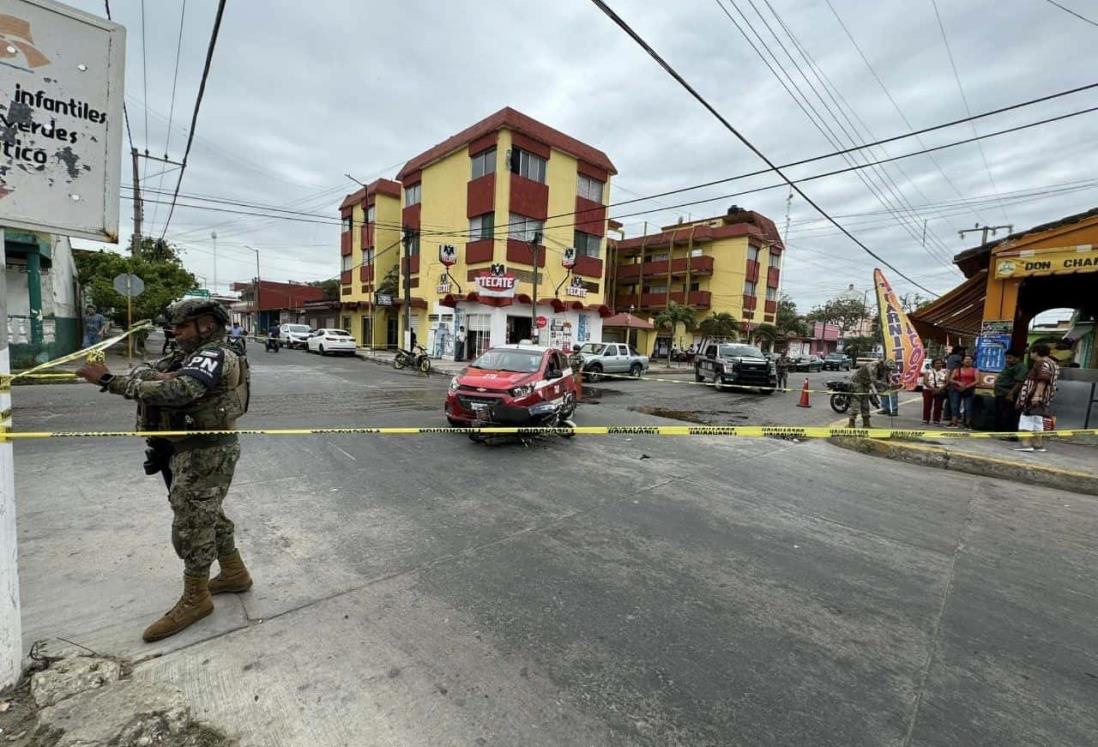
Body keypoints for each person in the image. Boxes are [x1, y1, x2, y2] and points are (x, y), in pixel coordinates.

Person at [75, 298, 252, 643]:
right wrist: (156, 375)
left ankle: (196, 598)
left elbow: (179, 389)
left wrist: (110, 379)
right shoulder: (187, 355)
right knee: (208, 515)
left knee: (192, 525)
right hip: (185, 449)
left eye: (183, 326)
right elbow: (146, 370)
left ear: (206, 325)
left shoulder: (214, 355)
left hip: (206, 452)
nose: (176, 332)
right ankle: (234, 573)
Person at [1014, 343, 1059, 453]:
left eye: (1031, 351)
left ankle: (1026, 444)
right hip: (1045, 397)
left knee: (1026, 419)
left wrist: (1036, 396)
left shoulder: (1042, 363)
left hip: (1033, 396)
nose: (1030, 354)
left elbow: (1042, 380)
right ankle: (1038, 445)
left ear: (1036, 352)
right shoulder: (1053, 363)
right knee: (1037, 420)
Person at [848, 358, 894, 428]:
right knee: (856, 403)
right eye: (888, 369)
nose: (888, 371)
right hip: (857, 382)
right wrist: (886, 385)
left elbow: (883, 382)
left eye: (890, 370)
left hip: (866, 383)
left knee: (865, 404)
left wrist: (889, 387)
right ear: (884, 366)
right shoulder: (873, 366)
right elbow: (874, 380)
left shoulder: (884, 369)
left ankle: (866, 424)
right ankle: (851, 424)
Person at [993, 349, 1028, 433]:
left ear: (1017, 358)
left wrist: (1011, 393)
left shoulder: (1020, 367)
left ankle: (1010, 434)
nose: (1007, 360)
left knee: (1009, 415)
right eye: (1006, 358)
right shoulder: (1009, 365)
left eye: (1010, 358)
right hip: (1000, 393)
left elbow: (1019, 382)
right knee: (1000, 413)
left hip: (1008, 394)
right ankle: (1000, 432)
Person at [947, 353, 978, 428]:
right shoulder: (956, 370)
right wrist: (958, 382)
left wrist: (966, 386)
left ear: (972, 361)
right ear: (962, 361)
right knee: (955, 406)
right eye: (966, 359)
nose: (968, 361)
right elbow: (950, 379)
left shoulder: (975, 370)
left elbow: (977, 381)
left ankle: (967, 423)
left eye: (970, 360)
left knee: (968, 407)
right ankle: (954, 422)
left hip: (968, 390)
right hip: (956, 390)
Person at [921, 357, 948, 425]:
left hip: (940, 389)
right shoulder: (928, 371)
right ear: (933, 364)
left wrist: (939, 389)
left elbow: (947, 382)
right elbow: (925, 381)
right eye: (937, 363)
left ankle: (936, 420)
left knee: (938, 406)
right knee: (927, 405)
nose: (939, 364)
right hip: (928, 389)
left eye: (940, 363)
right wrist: (933, 389)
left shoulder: (945, 371)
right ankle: (926, 419)